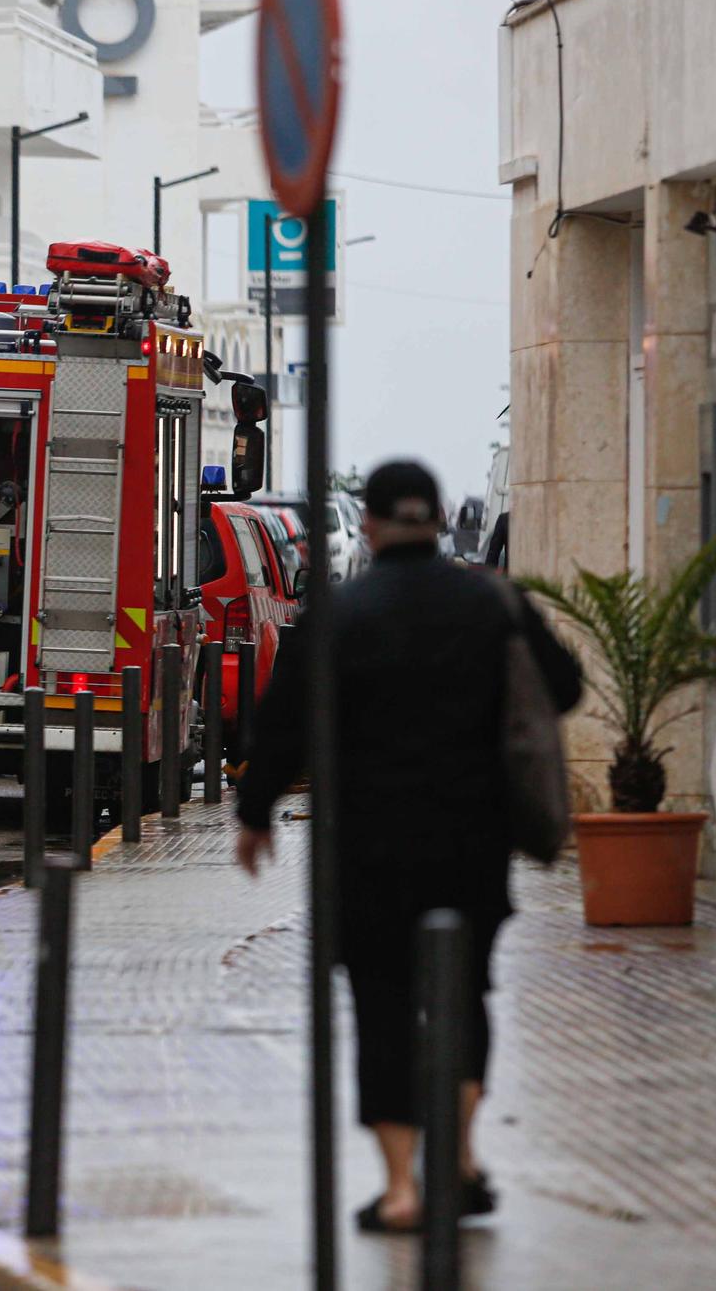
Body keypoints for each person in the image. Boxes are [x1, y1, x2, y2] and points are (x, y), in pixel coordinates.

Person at [234, 460, 582, 1235]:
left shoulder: (340, 612)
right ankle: (457, 1160)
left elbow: (280, 722)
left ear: (368, 525)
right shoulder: (494, 603)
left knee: (383, 1003)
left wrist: (254, 813)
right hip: (472, 839)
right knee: (464, 990)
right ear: (440, 519)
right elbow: (563, 688)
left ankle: (400, 1189)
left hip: (366, 847)